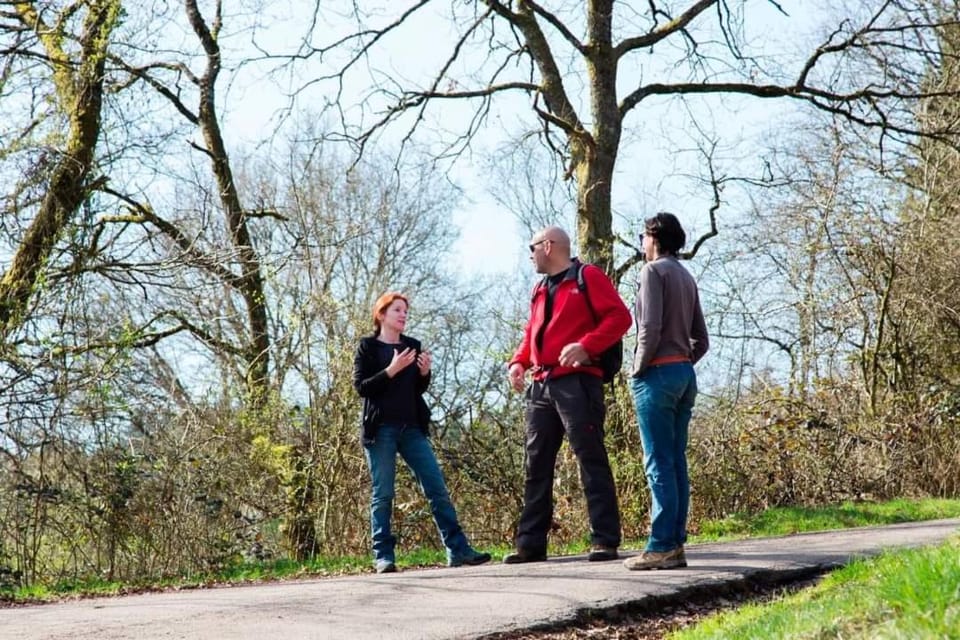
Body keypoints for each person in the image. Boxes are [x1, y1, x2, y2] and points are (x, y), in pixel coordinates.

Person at [505, 226, 632, 563]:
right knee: (536, 463)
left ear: (548, 246)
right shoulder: (539, 289)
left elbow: (620, 317)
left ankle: (604, 540)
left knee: (590, 457)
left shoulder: (586, 276)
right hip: (541, 385)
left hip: (578, 383)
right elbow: (533, 331)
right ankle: (530, 545)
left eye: (531, 248)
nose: (530, 254)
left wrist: (585, 346)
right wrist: (519, 362)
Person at [353, 292, 491, 573]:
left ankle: (458, 549)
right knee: (384, 494)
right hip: (380, 431)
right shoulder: (367, 348)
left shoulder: (413, 345)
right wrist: (391, 370)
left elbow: (416, 390)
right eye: (397, 310)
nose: (403, 315)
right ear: (381, 315)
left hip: (412, 428)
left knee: (436, 487)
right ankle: (383, 556)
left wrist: (424, 374)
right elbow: (362, 388)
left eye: (405, 311)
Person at [623, 212, 709, 571]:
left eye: (642, 237)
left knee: (658, 462)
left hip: (657, 375)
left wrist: (637, 368)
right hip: (684, 374)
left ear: (653, 237)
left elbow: (650, 327)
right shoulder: (687, 276)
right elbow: (702, 339)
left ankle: (660, 544)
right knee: (675, 461)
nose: (641, 244)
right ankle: (675, 544)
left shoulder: (652, 271)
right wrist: (684, 362)